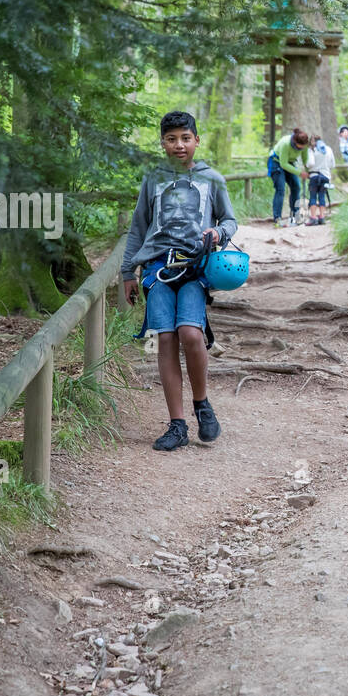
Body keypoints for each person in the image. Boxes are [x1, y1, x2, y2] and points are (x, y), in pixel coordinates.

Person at [122, 110, 238, 451]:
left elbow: (230, 221)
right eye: (171, 139)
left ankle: (202, 404)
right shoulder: (152, 179)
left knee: (190, 332)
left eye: (185, 138)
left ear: (197, 141)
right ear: (162, 144)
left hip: (195, 268)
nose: (179, 145)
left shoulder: (212, 179)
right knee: (167, 339)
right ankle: (176, 424)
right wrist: (128, 272)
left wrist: (218, 232)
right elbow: (138, 227)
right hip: (157, 268)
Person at [268, 128, 311, 226]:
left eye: (302, 148)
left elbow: (305, 159)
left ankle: (295, 215)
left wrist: (307, 171)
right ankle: (277, 218)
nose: (301, 149)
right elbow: (283, 164)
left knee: (296, 186)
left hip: (290, 163)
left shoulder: (304, 146)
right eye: (299, 147)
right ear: (295, 142)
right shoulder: (285, 144)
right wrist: (300, 173)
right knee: (281, 189)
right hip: (277, 162)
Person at [307, 135, 334, 226]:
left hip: (314, 176)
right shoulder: (328, 149)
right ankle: (322, 217)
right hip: (325, 176)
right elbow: (332, 164)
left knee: (313, 196)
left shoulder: (311, 150)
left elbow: (310, 164)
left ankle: (313, 217)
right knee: (322, 196)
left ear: (313, 141)